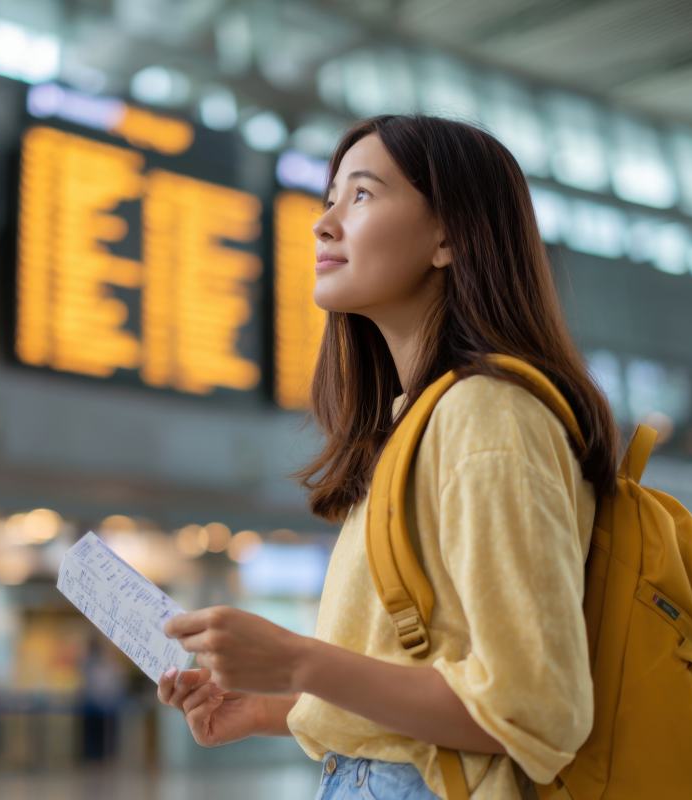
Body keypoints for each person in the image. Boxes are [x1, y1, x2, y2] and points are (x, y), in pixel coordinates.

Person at [157, 114, 619, 799]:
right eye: (329, 201)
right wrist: (269, 708)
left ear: (448, 236)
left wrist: (299, 661)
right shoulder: (421, 422)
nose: (325, 223)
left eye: (363, 196)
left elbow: (535, 708)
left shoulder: (487, 413)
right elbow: (439, 679)